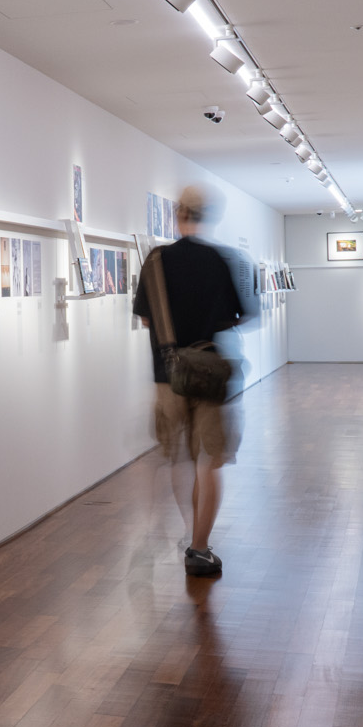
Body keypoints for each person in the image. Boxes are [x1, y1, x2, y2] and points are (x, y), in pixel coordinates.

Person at [131, 185, 252, 577]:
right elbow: (238, 316)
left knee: (179, 459)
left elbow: (145, 318)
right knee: (209, 463)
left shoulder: (156, 261)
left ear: (177, 214)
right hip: (211, 377)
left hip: (168, 377)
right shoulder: (221, 260)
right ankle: (199, 548)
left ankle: (188, 530)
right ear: (207, 216)